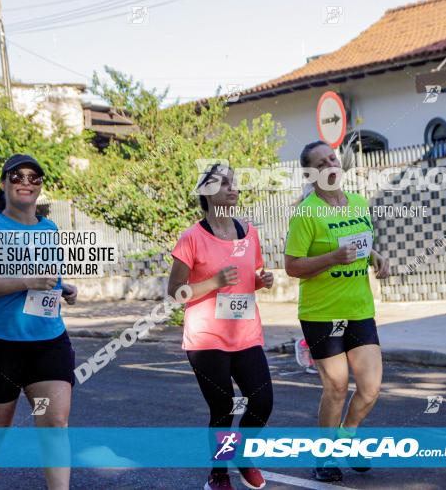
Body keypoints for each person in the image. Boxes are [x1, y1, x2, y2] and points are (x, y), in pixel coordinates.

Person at [0, 155, 78, 490]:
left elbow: (49, 280)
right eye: (17, 176)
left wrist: (65, 288)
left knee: (55, 423)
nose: (26, 181)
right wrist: (25, 281)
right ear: (4, 184)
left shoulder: (50, 229)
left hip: (48, 339)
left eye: (34, 176)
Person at [284, 141, 390, 482]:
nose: (332, 164)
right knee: (337, 387)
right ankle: (324, 456)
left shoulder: (358, 203)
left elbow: (362, 241)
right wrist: (331, 258)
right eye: (322, 162)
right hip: (321, 314)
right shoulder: (307, 213)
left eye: (333, 158)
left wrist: (376, 258)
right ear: (312, 174)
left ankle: (347, 438)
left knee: (371, 387)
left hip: (359, 308)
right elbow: (292, 266)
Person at [167, 164, 274, 490]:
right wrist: (212, 282)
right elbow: (174, 292)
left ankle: (242, 453)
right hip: (206, 337)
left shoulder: (249, 232)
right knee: (223, 407)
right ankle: (219, 472)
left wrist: (261, 280)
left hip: (245, 333)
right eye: (224, 183)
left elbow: (247, 277)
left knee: (262, 400)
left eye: (234, 183)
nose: (233, 189)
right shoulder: (192, 238)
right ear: (206, 192)